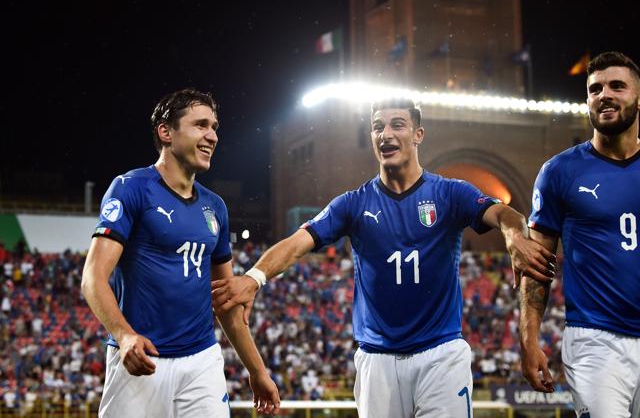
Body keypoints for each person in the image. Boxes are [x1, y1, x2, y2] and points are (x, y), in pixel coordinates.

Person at [213, 98, 554, 417]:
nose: (386, 134)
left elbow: (506, 214)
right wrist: (254, 277)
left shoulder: (450, 193)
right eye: (377, 127)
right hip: (377, 362)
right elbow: (297, 242)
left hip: (441, 356)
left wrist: (512, 235)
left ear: (418, 134)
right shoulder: (352, 204)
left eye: (397, 125)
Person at [81, 88, 280, 417]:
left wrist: (257, 371)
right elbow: (93, 278)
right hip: (141, 361)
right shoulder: (131, 188)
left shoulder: (215, 207)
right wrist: (125, 335)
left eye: (214, 127)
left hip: (202, 361)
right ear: (166, 132)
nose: (212, 136)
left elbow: (226, 300)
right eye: (200, 125)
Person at [520, 51, 640, 417]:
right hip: (595, 339)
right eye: (595, 89)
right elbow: (536, 262)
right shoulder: (559, 172)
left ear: (638, 97)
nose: (604, 94)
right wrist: (529, 336)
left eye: (617, 86)